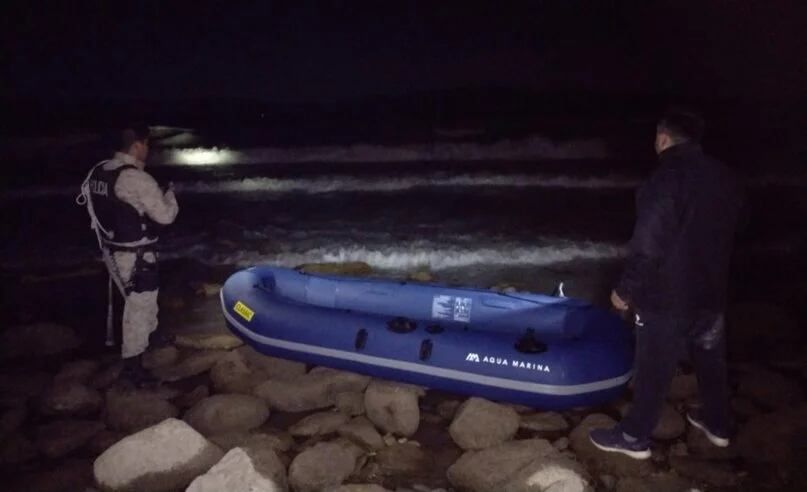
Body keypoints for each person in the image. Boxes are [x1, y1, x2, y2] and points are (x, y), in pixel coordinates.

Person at [589, 109, 744, 459]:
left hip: (667, 298)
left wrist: (624, 291)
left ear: (663, 138)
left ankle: (633, 437)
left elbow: (648, 246)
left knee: (654, 368)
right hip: (713, 292)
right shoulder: (724, 176)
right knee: (710, 360)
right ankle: (718, 425)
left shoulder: (663, 181)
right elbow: (740, 226)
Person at [77, 125, 179, 384]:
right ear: (137, 146)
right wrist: (170, 194)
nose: (148, 150)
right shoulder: (136, 178)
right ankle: (133, 366)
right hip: (135, 254)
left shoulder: (99, 171)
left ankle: (152, 336)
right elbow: (165, 217)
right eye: (146, 145)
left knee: (139, 301)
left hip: (111, 250)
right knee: (139, 307)